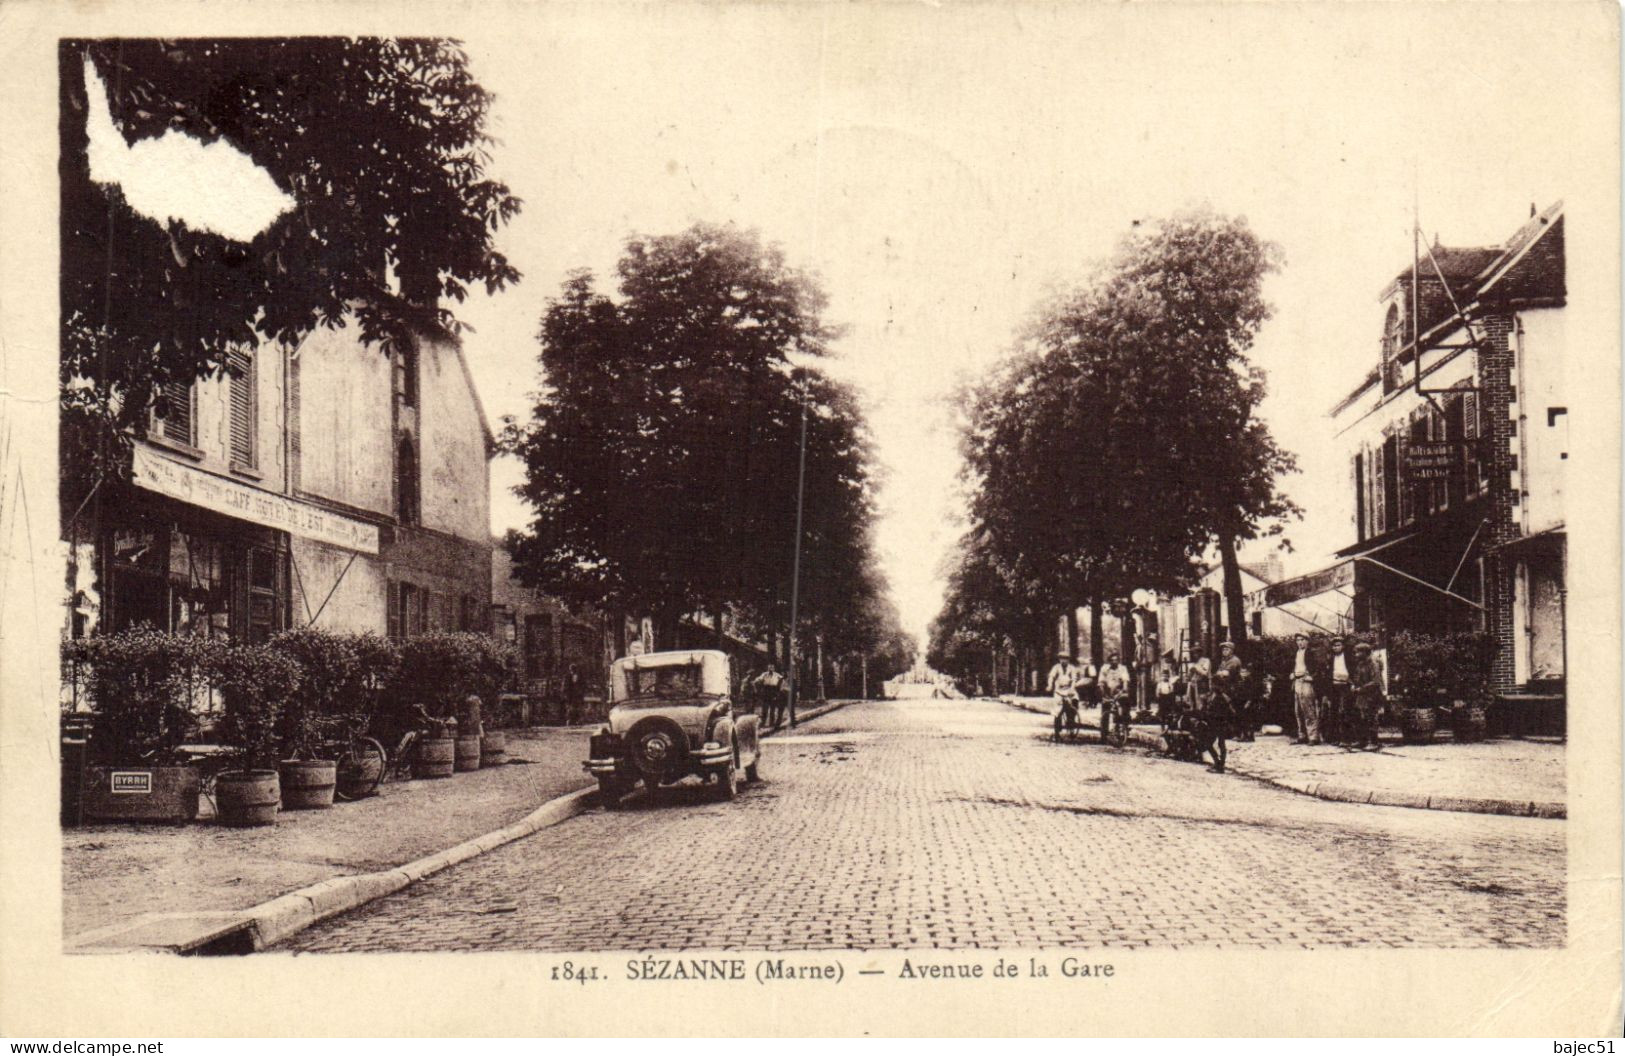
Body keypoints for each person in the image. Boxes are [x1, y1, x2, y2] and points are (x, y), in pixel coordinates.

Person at [1286, 633, 1321, 745]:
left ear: (1307, 641)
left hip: (1306, 682)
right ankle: (1302, 735)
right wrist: (1292, 673)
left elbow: (1318, 668)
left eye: (1302, 640)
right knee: (1298, 710)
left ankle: (1313, 736)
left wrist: (1312, 677)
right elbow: (1293, 666)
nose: (1300, 642)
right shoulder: (1296, 653)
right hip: (1297, 681)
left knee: (1308, 709)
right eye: (1298, 640)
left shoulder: (1311, 653)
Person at [1351, 643, 1386, 750]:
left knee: (1371, 718)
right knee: (1362, 718)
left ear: (1365, 652)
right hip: (1362, 695)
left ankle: (1373, 742)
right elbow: (1357, 677)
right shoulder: (1360, 663)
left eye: (1358, 652)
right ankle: (1362, 740)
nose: (1356, 654)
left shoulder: (1373, 664)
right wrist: (1354, 685)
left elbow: (1375, 682)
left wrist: (1361, 688)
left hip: (1372, 695)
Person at [1046, 652, 1084, 741]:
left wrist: (1072, 689)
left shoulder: (1071, 668)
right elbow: (1051, 677)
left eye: (1066, 659)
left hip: (1069, 689)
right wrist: (1050, 685)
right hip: (1059, 690)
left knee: (1075, 700)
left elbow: (1074, 680)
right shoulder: (1056, 668)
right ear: (1059, 659)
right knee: (1057, 711)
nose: (1064, 660)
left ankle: (1071, 720)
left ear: (1068, 660)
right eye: (1062, 658)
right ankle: (1057, 732)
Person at [1323, 636, 1354, 745]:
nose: (1336, 647)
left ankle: (1347, 738)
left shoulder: (1348, 657)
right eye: (1334, 646)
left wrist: (1351, 682)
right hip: (1334, 686)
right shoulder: (1331, 658)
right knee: (1334, 712)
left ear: (1343, 646)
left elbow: (1352, 671)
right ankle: (1335, 738)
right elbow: (1328, 675)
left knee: (1345, 711)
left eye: (1338, 645)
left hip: (1345, 686)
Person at [1099, 650, 1131, 741]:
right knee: (1105, 710)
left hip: (1119, 691)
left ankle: (1124, 727)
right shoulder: (1104, 669)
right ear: (1109, 661)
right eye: (1112, 660)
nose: (1114, 662)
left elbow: (1125, 680)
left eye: (1116, 660)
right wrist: (1104, 694)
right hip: (1108, 692)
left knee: (1124, 704)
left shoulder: (1122, 668)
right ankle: (1104, 734)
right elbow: (1101, 682)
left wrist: (1124, 688)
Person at [753, 662, 786, 728]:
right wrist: (758, 686)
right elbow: (757, 680)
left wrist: (779, 689)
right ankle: (763, 723)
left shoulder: (777, 675)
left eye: (772, 667)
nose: (770, 669)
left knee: (772, 708)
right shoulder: (764, 674)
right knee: (765, 709)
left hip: (773, 692)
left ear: (774, 668)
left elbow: (783, 680)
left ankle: (771, 723)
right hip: (766, 691)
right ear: (767, 668)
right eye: (769, 667)